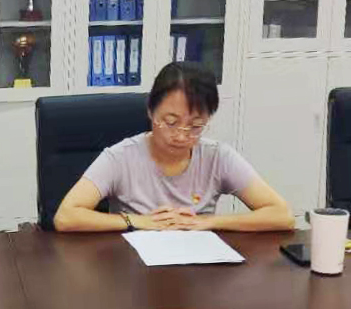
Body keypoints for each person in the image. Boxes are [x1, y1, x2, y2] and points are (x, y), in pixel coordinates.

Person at [54, 61, 293, 233]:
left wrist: (209, 222)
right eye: (170, 122)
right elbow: (66, 216)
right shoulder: (120, 157)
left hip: (201, 269)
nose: (180, 136)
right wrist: (136, 221)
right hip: (134, 268)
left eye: (195, 126)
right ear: (150, 111)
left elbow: (282, 215)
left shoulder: (218, 157)